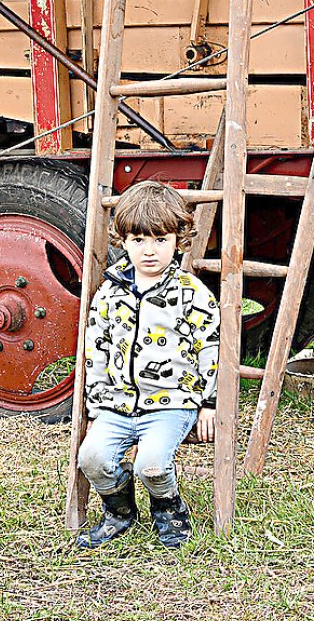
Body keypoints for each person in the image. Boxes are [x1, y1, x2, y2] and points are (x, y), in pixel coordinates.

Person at [74, 181, 219, 549]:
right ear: (123, 241)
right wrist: (96, 406)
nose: (149, 251)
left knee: (151, 463)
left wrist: (208, 403)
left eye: (160, 240)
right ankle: (119, 510)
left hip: (173, 402)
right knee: (91, 457)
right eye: (139, 240)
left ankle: (168, 508)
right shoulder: (109, 293)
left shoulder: (192, 293)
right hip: (117, 404)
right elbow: (98, 351)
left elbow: (210, 350)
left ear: (178, 240)